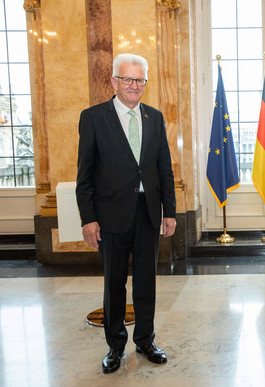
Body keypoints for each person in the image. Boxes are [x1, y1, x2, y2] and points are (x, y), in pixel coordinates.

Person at [76, 53, 177, 374]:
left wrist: (170, 212)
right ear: (114, 82)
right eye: (128, 79)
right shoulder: (93, 118)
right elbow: (85, 174)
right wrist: (88, 218)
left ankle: (145, 339)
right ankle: (115, 345)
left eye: (140, 80)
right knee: (114, 284)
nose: (134, 86)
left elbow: (165, 170)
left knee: (146, 282)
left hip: (147, 214)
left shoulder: (155, 118)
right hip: (110, 217)